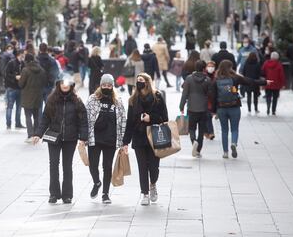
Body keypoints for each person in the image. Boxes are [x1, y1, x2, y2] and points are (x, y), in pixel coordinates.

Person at [32, 78, 88, 204]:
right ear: (58, 85)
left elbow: (83, 121)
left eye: (67, 83)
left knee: (67, 166)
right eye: (62, 83)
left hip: (70, 138)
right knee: (53, 164)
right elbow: (45, 118)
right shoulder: (52, 100)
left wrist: (83, 138)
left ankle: (67, 195)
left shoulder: (77, 101)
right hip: (53, 136)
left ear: (71, 86)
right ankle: (54, 194)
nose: (64, 85)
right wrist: (38, 134)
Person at [123, 73, 168, 206]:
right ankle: (145, 193)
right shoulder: (133, 99)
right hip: (139, 137)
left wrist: (151, 118)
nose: (139, 83)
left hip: (154, 136)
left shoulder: (157, 97)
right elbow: (129, 121)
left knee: (154, 167)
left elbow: (164, 117)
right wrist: (125, 142)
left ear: (147, 82)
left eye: (141, 80)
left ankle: (153, 184)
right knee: (142, 167)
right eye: (137, 81)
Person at [212, 60, 268, 159]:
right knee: (234, 129)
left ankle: (225, 152)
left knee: (224, 131)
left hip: (221, 108)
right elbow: (250, 81)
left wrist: (214, 110)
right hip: (234, 107)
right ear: (230, 68)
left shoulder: (216, 80)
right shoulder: (235, 78)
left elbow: (213, 96)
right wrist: (265, 82)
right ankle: (233, 143)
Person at [86, 74, 126, 204]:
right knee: (93, 164)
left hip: (111, 139)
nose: (106, 87)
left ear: (112, 86)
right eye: (104, 85)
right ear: (100, 85)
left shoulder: (117, 101)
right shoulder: (93, 99)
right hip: (95, 139)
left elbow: (123, 120)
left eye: (109, 85)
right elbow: (86, 118)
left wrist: (123, 141)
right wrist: (83, 136)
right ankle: (97, 182)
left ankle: (105, 194)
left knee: (107, 166)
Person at [179, 60, 211, 158]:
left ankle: (194, 141)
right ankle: (198, 150)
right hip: (203, 108)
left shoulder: (189, 79)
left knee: (191, 128)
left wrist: (181, 106)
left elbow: (184, 94)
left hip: (192, 107)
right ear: (204, 68)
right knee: (201, 130)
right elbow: (209, 94)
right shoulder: (207, 79)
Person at [19, 54, 47, 143]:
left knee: (28, 116)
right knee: (36, 117)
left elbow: (21, 84)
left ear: (26, 61)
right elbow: (44, 82)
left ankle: (30, 135)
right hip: (38, 96)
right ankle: (36, 135)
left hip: (27, 96)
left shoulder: (25, 70)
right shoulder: (41, 70)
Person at [5, 49, 26, 130]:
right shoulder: (11, 63)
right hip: (12, 88)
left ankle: (18, 123)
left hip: (20, 88)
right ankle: (8, 124)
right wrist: (15, 77)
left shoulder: (23, 63)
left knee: (19, 107)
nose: (23, 56)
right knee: (10, 106)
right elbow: (7, 74)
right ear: (19, 54)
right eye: (22, 54)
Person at [37, 43, 60, 107]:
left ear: (39, 49)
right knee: (49, 106)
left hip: (38, 86)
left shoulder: (35, 60)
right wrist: (51, 83)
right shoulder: (52, 60)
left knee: (39, 107)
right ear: (46, 49)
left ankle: (39, 117)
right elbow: (56, 72)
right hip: (48, 86)